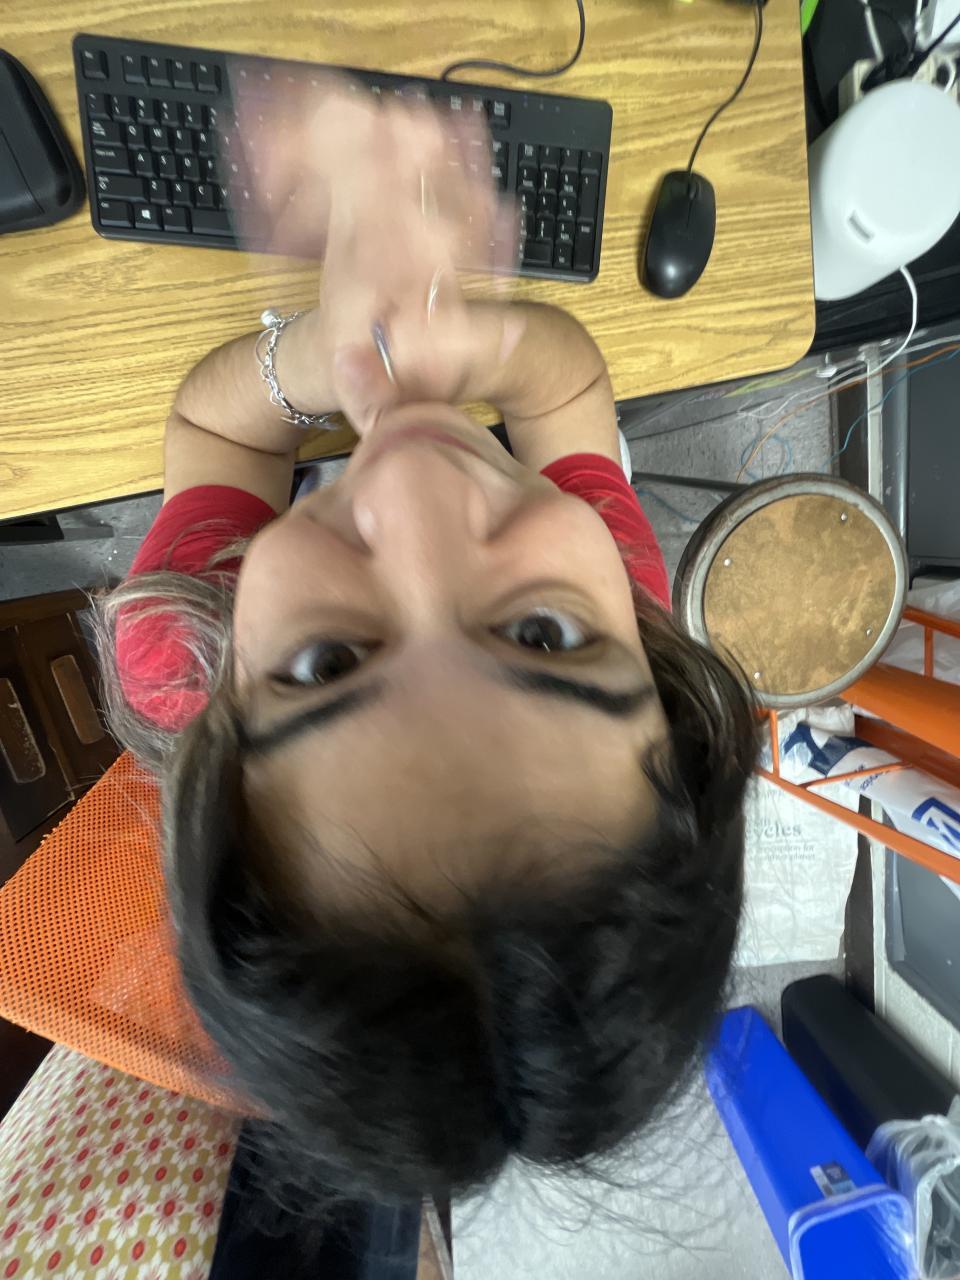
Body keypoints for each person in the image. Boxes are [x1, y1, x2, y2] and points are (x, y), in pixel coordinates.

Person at [92, 81, 758, 1212]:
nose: (408, 490)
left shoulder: (177, 640)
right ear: (663, 682)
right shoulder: (620, 585)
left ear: (222, 739)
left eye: (326, 666)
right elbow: (566, 380)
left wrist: (316, 362)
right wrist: (466, 339)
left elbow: (211, 429)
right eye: (542, 635)